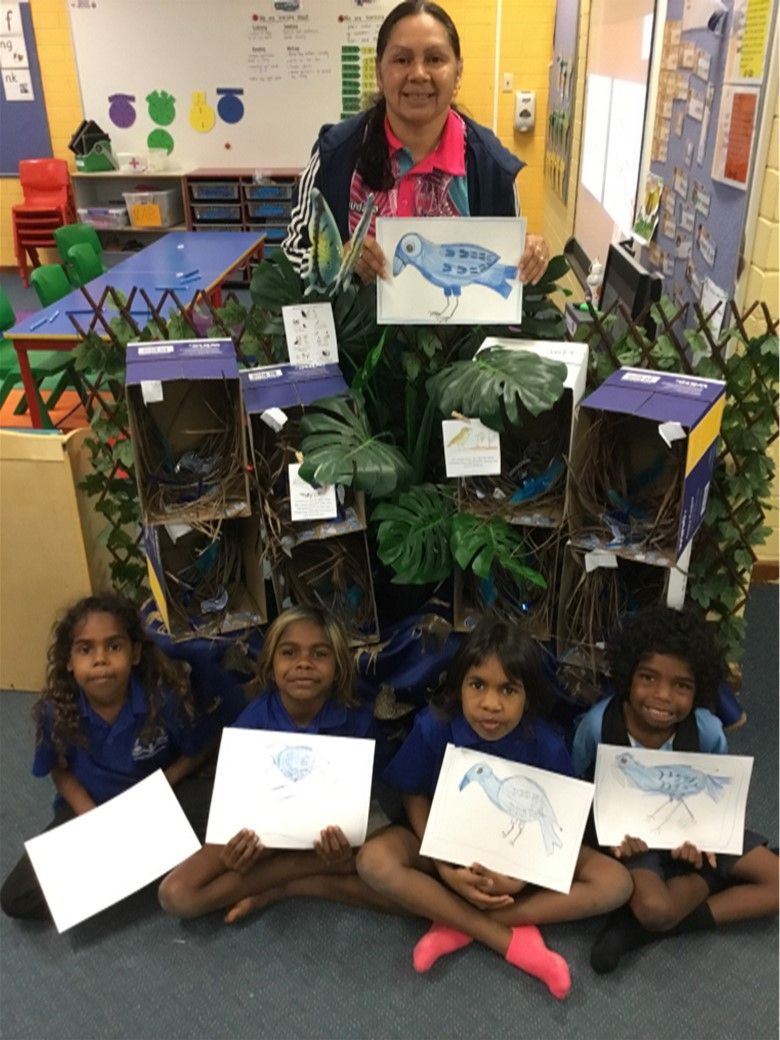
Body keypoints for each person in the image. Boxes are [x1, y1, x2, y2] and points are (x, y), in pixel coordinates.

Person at [355, 616, 633, 999]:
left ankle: (461, 919)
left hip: (520, 859)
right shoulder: (433, 726)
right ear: (460, 687)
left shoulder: (546, 743)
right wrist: (443, 866)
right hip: (446, 847)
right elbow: (414, 795)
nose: (490, 704)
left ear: (527, 697)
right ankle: (505, 939)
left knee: (617, 883)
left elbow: (560, 816)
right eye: (477, 685)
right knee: (373, 860)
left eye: (508, 690)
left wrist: (521, 879)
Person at [158, 606, 400, 923]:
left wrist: (347, 845)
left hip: (331, 834)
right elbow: (236, 805)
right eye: (289, 652)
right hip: (265, 835)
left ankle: (286, 885)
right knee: (177, 895)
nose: (304, 663)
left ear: (338, 668)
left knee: (398, 882)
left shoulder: (357, 722)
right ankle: (301, 871)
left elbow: (372, 800)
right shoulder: (250, 724)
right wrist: (239, 846)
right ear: (271, 667)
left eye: (320, 654)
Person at [283, 0, 550, 287]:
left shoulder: (493, 167)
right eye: (402, 59)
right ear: (380, 73)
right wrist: (340, 263)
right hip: (353, 331)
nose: (419, 74)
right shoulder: (334, 154)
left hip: (460, 330)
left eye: (435, 59)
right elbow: (291, 256)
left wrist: (531, 256)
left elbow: (509, 274)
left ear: (458, 73)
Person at [572, 605, 779, 974]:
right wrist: (611, 842)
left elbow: (720, 790)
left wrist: (705, 841)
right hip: (632, 839)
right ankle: (700, 890)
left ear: (698, 687)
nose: (663, 695)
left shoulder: (707, 730)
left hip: (698, 833)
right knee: (655, 909)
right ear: (628, 675)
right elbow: (578, 791)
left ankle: (641, 933)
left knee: (776, 885)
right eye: (648, 678)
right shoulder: (597, 726)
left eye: (681, 685)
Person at [0, 593, 216, 922]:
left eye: (114, 646)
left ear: (135, 653)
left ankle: (131, 865)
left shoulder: (163, 697)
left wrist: (160, 787)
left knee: (235, 812)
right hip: (93, 810)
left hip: (158, 802)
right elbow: (58, 770)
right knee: (17, 897)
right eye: (86, 649)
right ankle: (150, 863)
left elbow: (197, 751)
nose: (100, 660)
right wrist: (91, 815)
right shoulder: (54, 711)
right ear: (69, 660)